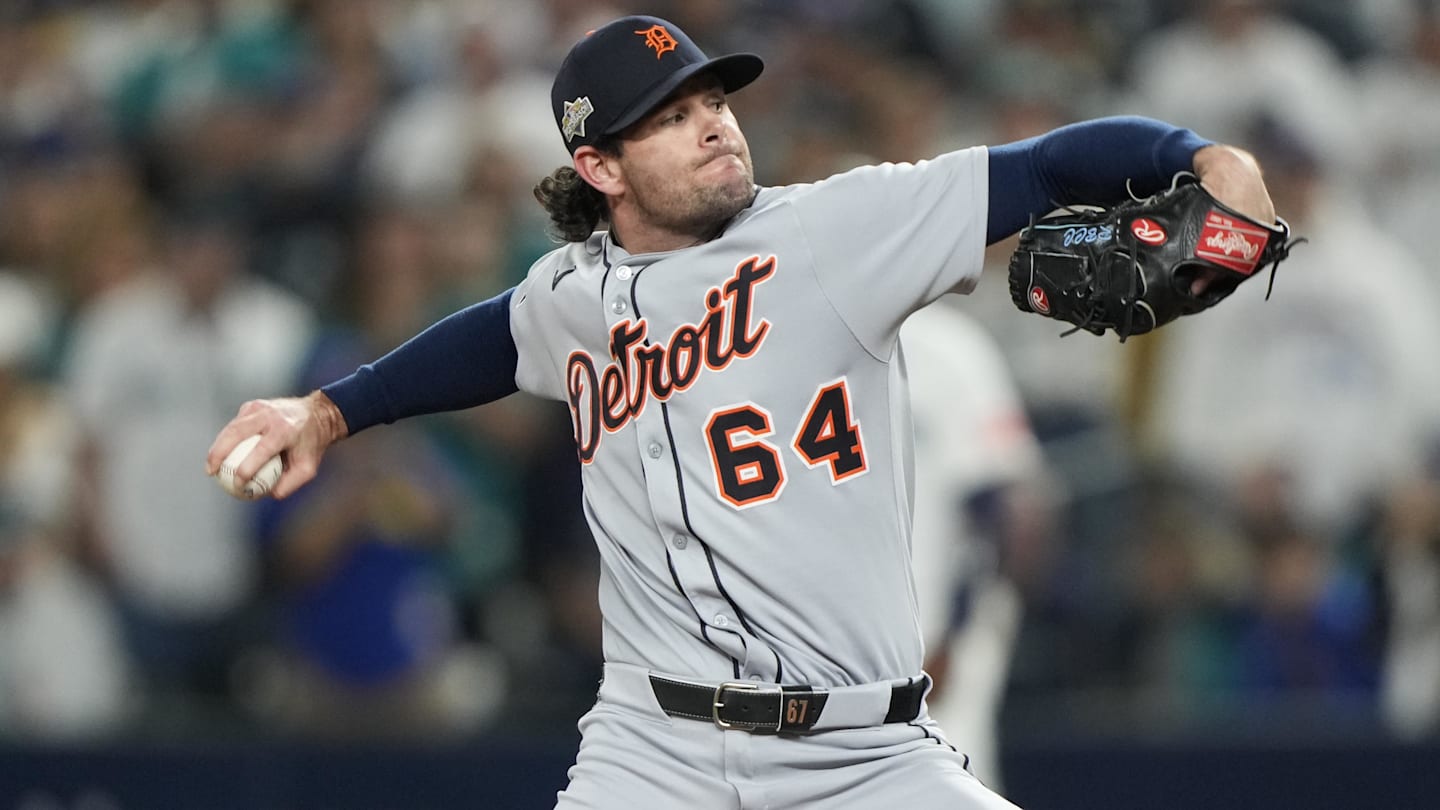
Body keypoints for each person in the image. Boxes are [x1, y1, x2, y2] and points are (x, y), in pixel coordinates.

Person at [206, 15, 1279, 809]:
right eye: (670, 119)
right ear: (599, 166)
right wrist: (329, 414)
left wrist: (1201, 160)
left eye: (714, 101)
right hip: (651, 750)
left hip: (866, 754)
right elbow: (493, 336)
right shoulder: (569, 297)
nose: (715, 126)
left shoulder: (841, 231)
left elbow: (1042, 166)